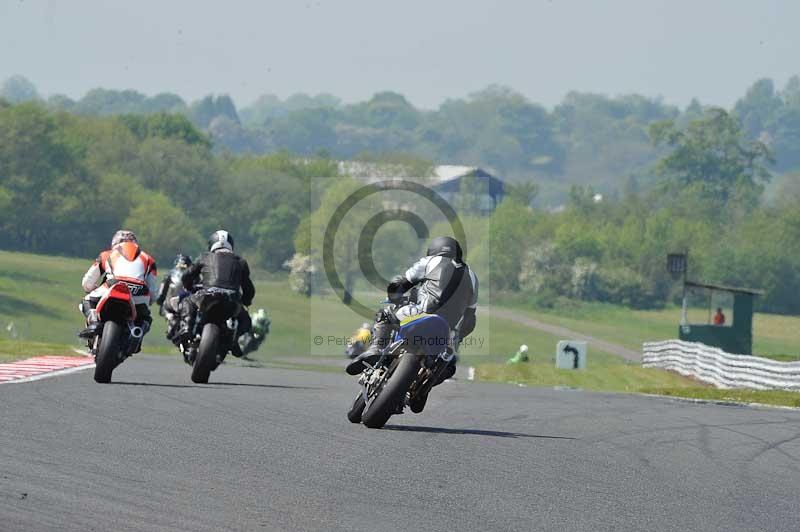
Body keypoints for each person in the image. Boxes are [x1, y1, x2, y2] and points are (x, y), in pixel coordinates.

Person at [346, 236, 479, 409]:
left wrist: (394, 297)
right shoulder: (473, 277)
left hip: (421, 314)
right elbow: (470, 317)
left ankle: (376, 349)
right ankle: (425, 387)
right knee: (448, 365)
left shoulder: (431, 261)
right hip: (448, 331)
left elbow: (400, 282)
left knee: (385, 314)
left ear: (434, 250)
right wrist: (458, 338)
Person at [178, 230, 255, 357]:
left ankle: (186, 327)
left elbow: (187, 276)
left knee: (187, 301)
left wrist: (189, 287)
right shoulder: (241, 262)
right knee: (246, 321)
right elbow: (248, 288)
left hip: (207, 297)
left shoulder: (204, 257)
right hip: (231, 300)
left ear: (212, 244)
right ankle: (234, 340)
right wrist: (246, 301)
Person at [79, 230, 158, 342]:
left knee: (87, 301)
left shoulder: (106, 254)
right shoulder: (149, 259)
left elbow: (87, 283)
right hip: (139, 292)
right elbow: (153, 291)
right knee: (146, 318)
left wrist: (92, 289)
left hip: (114, 285)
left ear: (114, 243)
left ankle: (94, 323)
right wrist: (149, 301)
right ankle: (137, 333)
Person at [156, 254, 193, 341]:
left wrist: (160, 301)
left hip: (173, 306)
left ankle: (173, 322)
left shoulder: (169, 274)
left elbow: (161, 294)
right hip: (186, 307)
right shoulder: (193, 275)